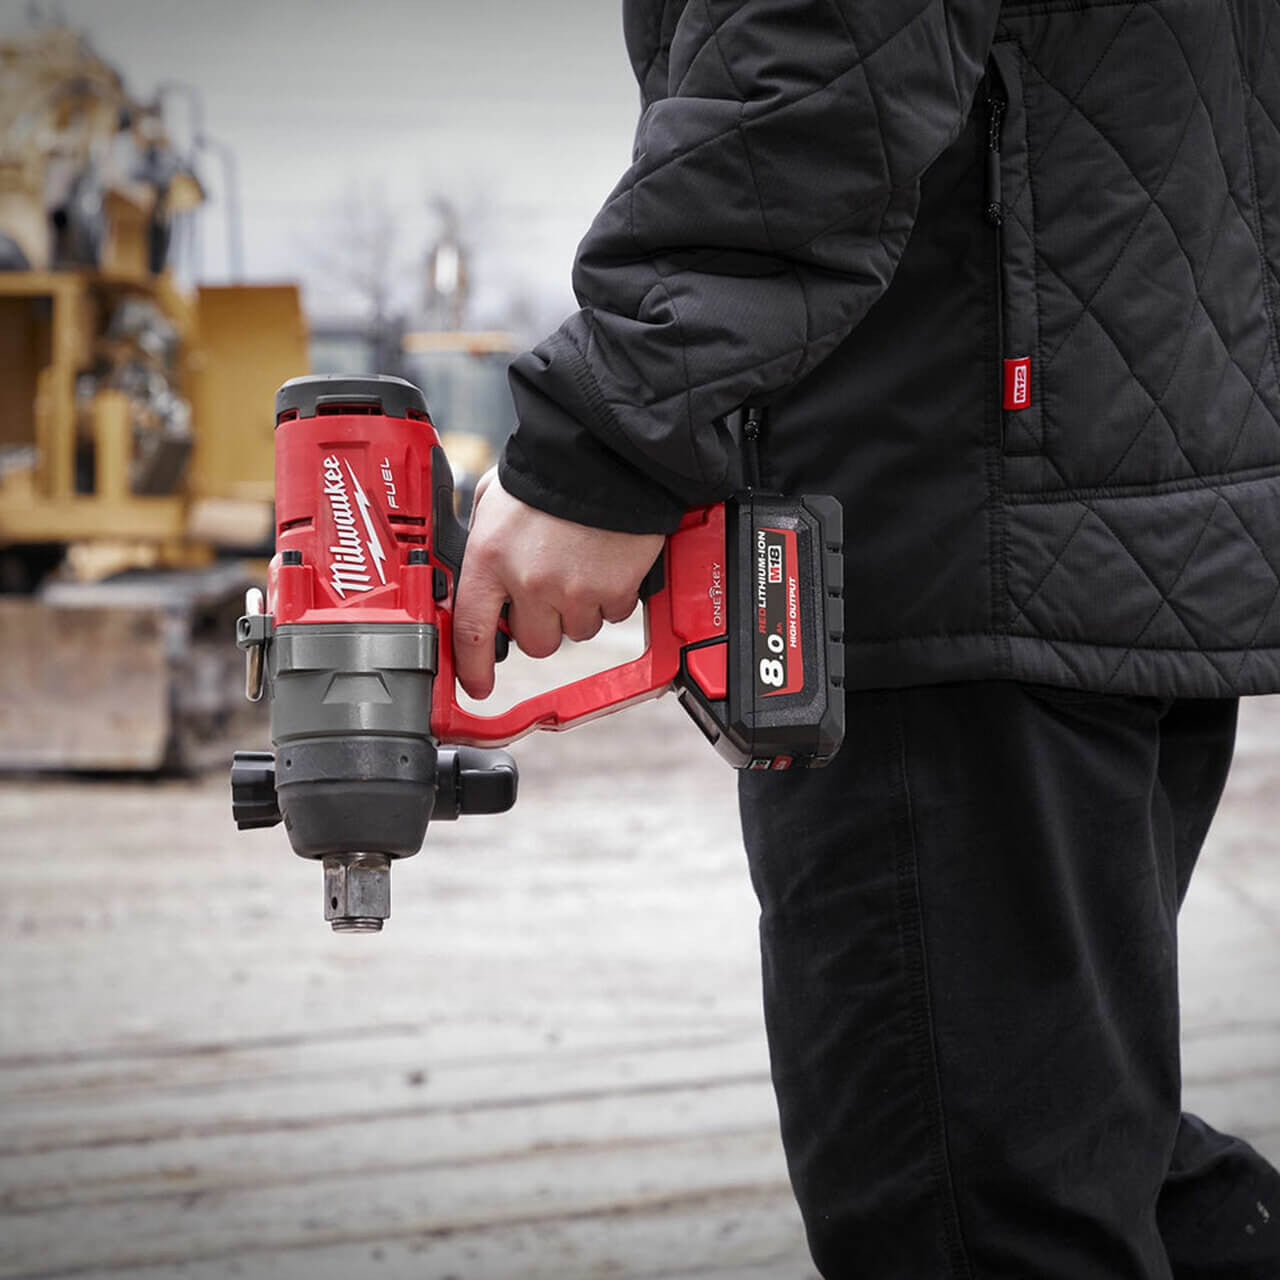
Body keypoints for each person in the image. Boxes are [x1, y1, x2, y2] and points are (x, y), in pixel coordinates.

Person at [454, 2, 1280, 1275]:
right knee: (1067, 1143)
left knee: (969, 1208)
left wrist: (608, 436)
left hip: (948, 517)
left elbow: (820, 41)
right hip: (1095, 508)